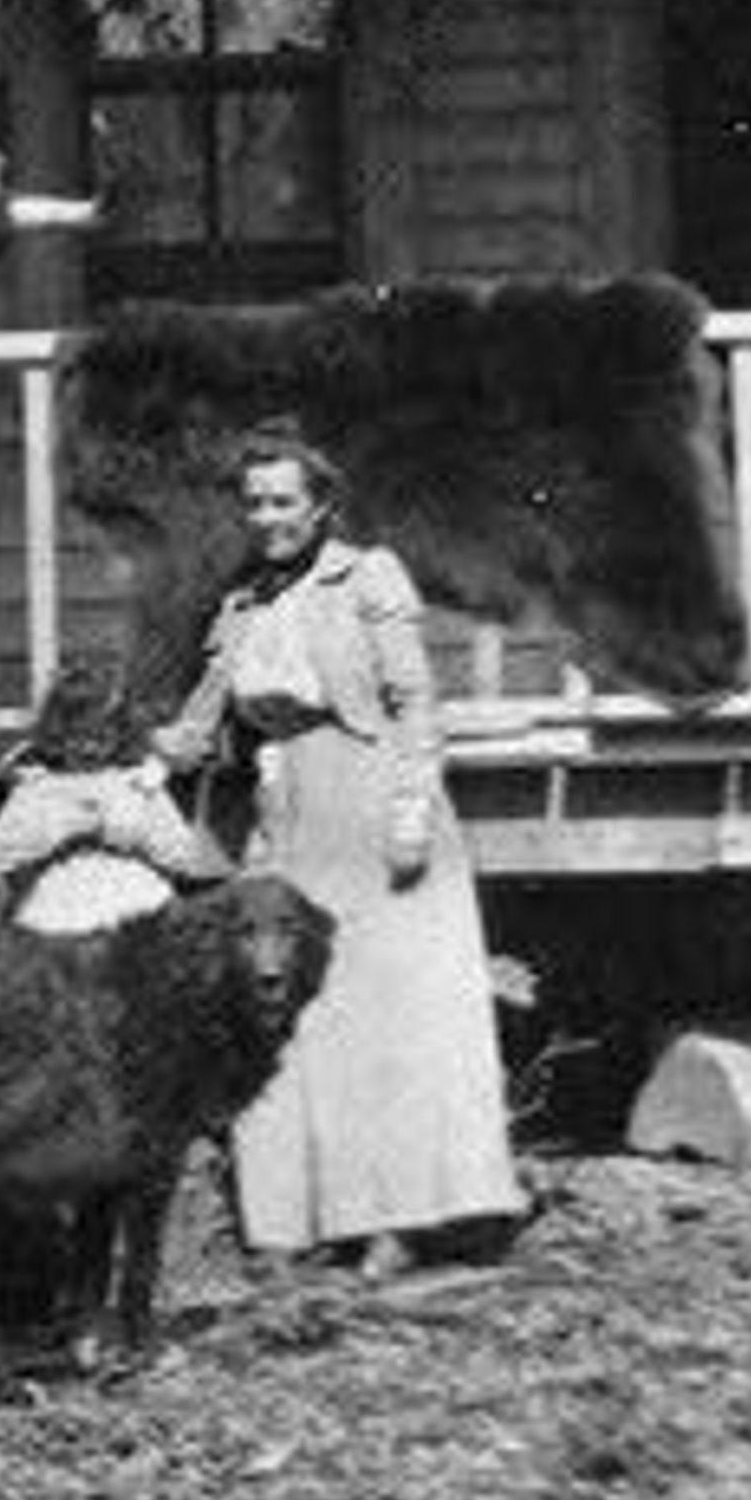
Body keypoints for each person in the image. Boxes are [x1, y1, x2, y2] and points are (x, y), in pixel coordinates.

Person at [155, 431, 521, 1270]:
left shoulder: (368, 577)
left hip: (371, 797)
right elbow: (200, 725)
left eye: (284, 501)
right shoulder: (244, 605)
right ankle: (305, 1220)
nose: (268, 517)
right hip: (286, 813)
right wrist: (119, 758)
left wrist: (411, 808)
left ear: (320, 506)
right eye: (254, 503)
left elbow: (414, 701)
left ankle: (399, 1221)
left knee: (384, 1012)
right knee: (291, 1012)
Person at [0, 658, 231, 934]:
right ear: (57, 734)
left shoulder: (137, 783)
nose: (89, 749)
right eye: (76, 737)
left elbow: (177, 857)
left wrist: (134, 850)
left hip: (133, 912)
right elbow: (7, 859)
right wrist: (60, 849)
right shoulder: (39, 786)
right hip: (57, 914)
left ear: (121, 735)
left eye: (101, 738)